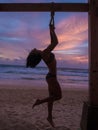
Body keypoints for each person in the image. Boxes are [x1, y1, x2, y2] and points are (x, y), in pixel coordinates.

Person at [26, 11, 62, 127]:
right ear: (34, 54)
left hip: (50, 77)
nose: (32, 49)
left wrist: (51, 29)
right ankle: (39, 101)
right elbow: (56, 42)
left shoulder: (44, 53)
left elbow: (52, 42)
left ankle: (49, 117)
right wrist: (52, 30)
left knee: (52, 98)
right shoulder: (44, 54)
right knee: (58, 96)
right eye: (32, 51)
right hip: (51, 77)